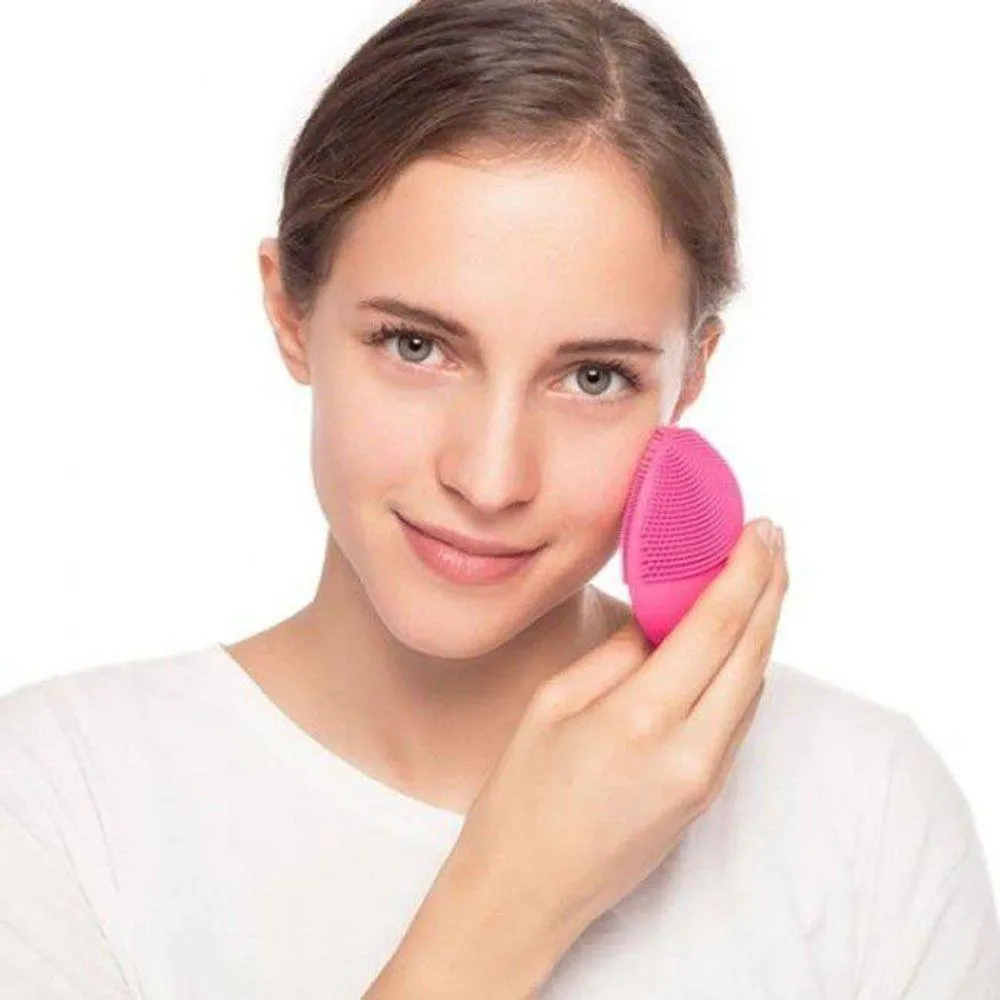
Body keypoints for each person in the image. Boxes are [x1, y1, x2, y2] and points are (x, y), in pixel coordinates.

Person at [2, 0, 998, 997]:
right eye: (416, 346)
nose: (488, 479)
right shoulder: (58, 799)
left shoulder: (863, 812)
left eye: (593, 377)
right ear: (290, 310)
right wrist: (517, 893)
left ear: (691, 373)